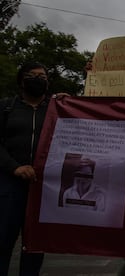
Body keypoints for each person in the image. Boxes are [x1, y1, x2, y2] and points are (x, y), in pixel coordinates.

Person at [0, 62, 64, 275]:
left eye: (43, 77)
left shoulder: (57, 108)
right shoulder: (6, 107)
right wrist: (14, 168)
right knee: (3, 240)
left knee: (35, 245)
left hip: (42, 187)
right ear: (21, 80)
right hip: (9, 185)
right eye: (32, 75)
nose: (39, 79)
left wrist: (91, 77)